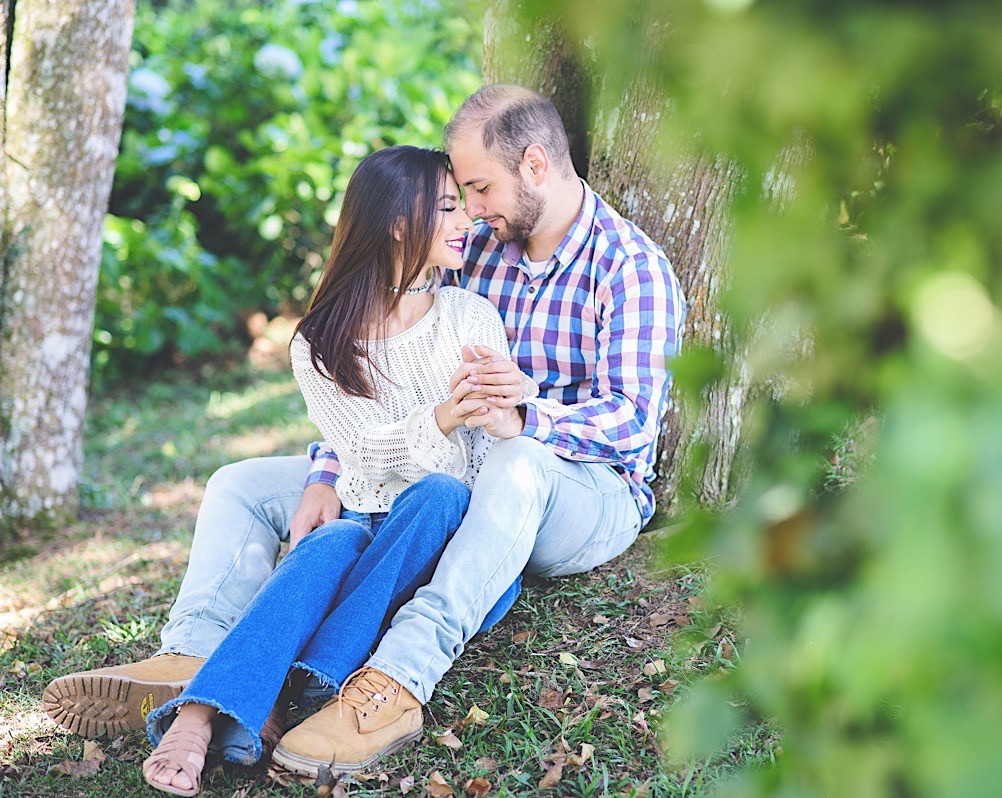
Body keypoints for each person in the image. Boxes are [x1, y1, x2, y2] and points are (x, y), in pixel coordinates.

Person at [44, 84, 685, 778]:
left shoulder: (629, 268)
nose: (470, 210)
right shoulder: (482, 248)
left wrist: (527, 417)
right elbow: (388, 367)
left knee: (512, 460)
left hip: (579, 489)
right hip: (437, 464)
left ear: (534, 164)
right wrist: (326, 469)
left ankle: (399, 679)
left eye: (477, 187)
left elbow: (631, 423)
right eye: (459, 196)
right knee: (242, 485)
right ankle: (194, 652)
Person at [137, 144, 529, 795]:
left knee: (434, 493)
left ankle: (284, 688)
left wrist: (497, 413)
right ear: (399, 221)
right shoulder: (321, 343)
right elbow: (361, 452)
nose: (468, 223)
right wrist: (439, 419)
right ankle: (197, 719)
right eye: (450, 208)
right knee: (331, 541)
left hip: (451, 542)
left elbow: (492, 452)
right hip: (369, 522)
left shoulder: (470, 316)